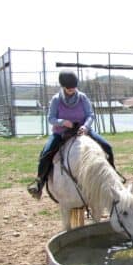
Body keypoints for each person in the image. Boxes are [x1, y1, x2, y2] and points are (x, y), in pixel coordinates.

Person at [27, 70, 115, 199]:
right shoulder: (56, 99)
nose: (72, 91)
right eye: (68, 89)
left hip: (82, 130)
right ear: (63, 87)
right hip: (61, 132)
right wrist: (62, 122)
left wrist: (85, 126)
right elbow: (50, 118)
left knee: (107, 147)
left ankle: (113, 176)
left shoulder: (82, 97)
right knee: (46, 153)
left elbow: (90, 115)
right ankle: (39, 183)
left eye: (74, 88)